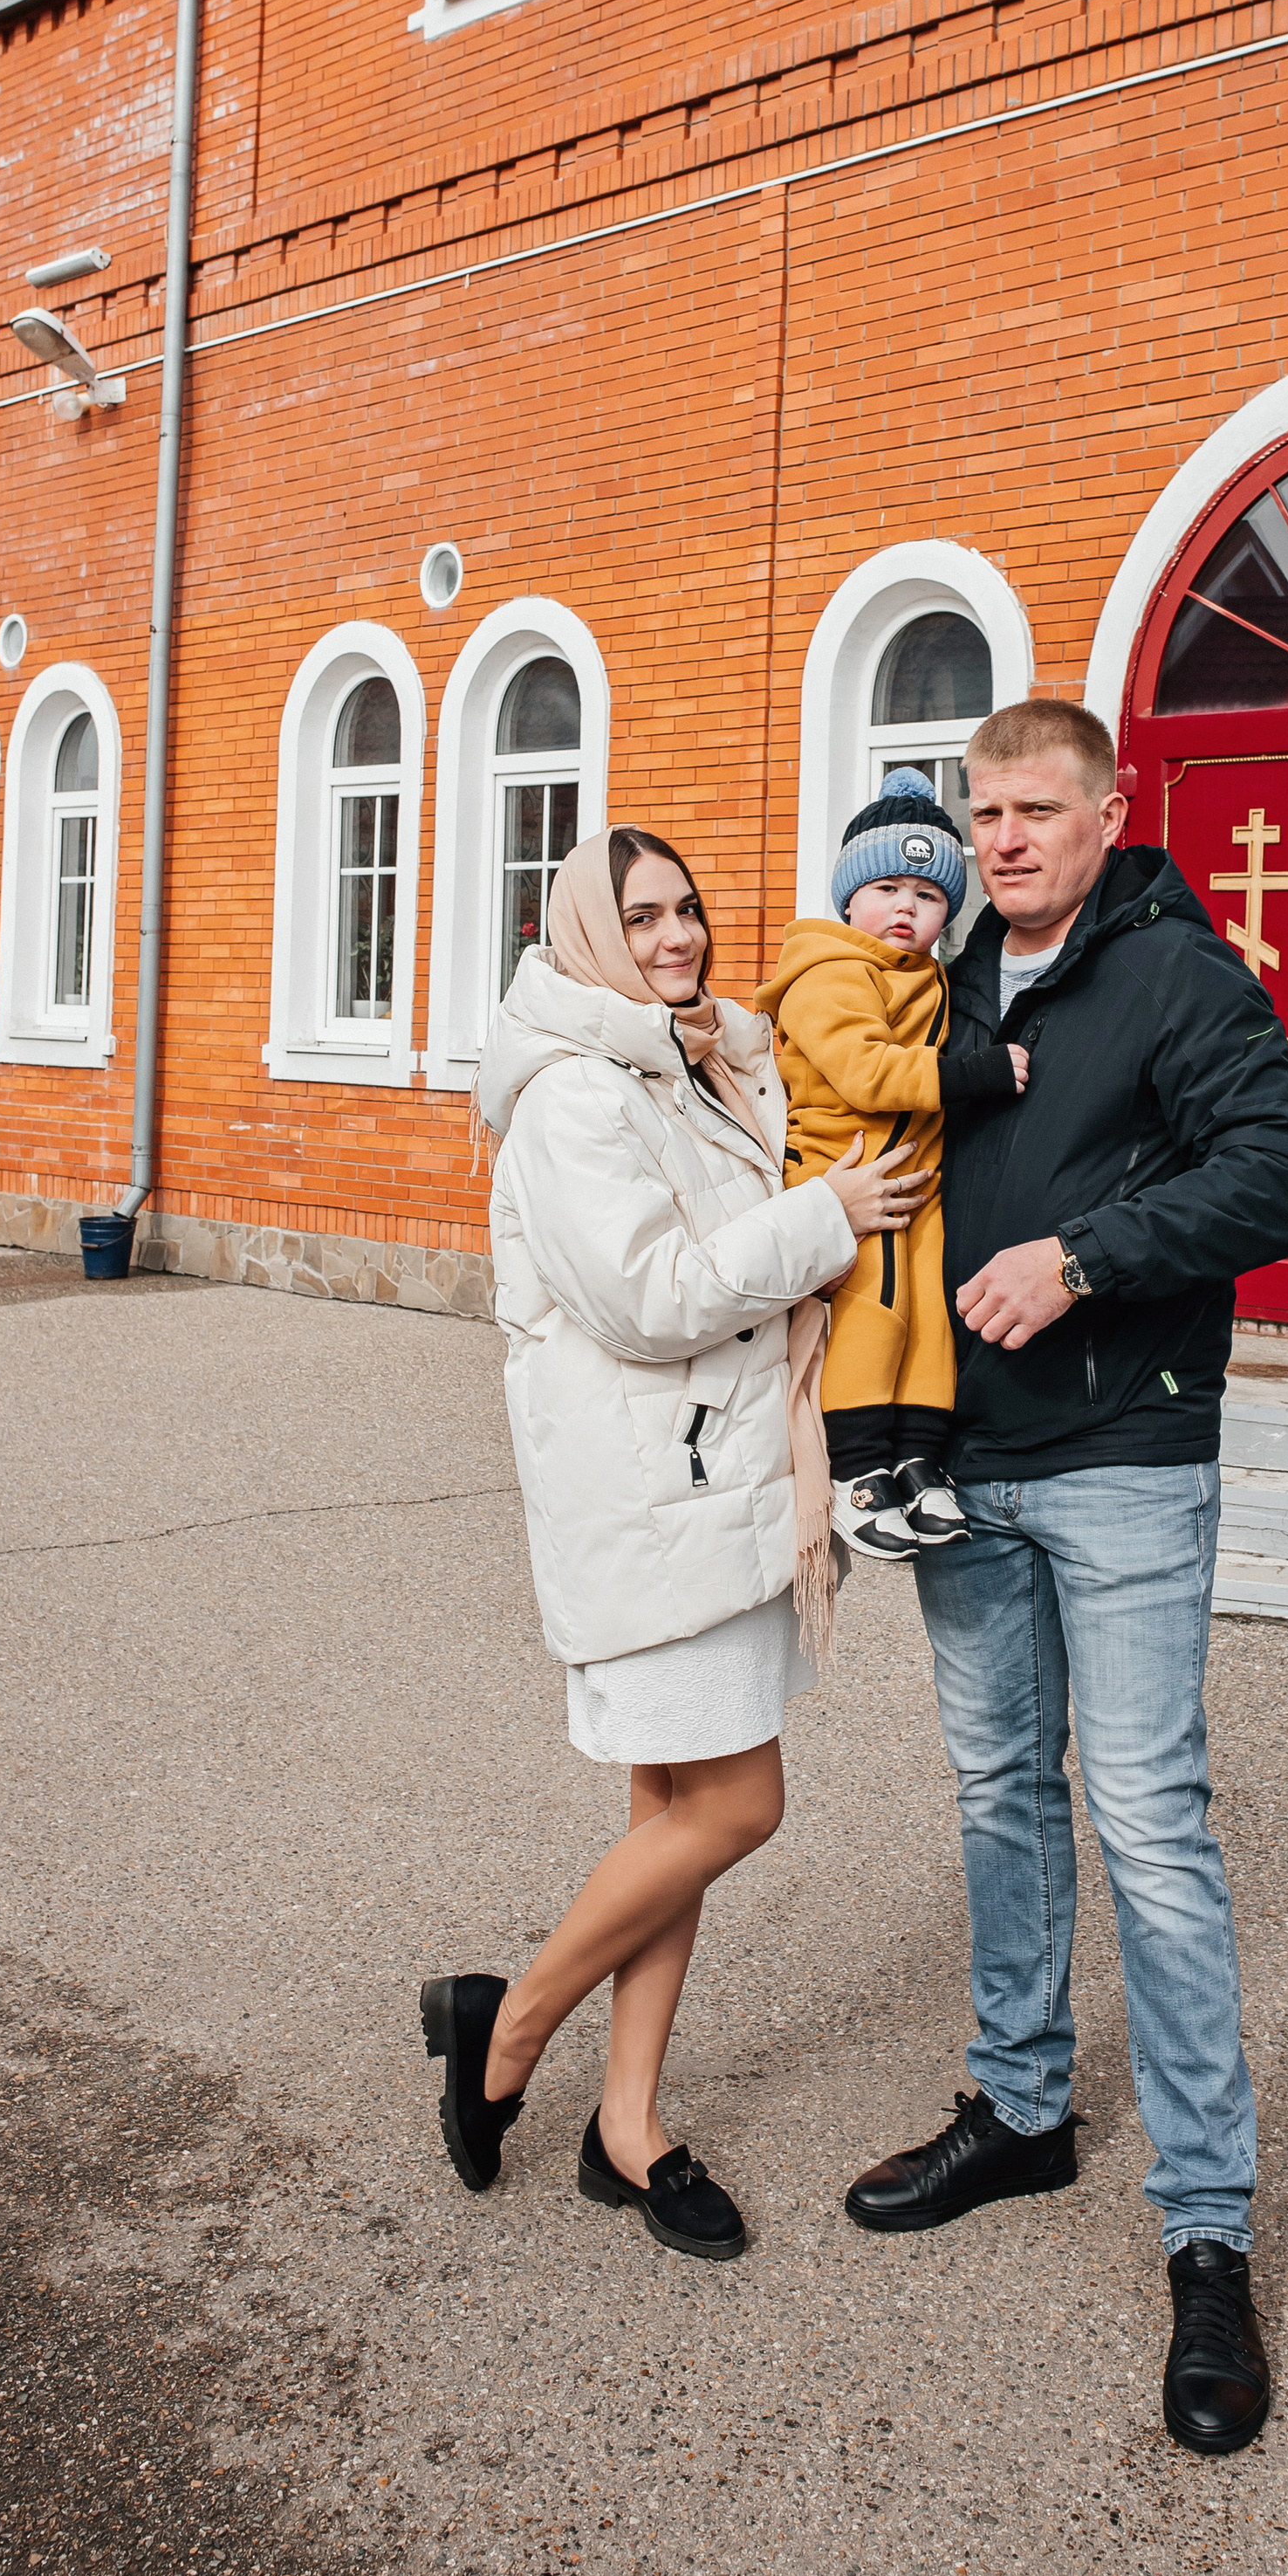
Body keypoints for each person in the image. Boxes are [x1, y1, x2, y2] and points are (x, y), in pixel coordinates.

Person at [841, 700, 1288, 2457]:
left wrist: (1086, 1256)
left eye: (1035, 809)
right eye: (980, 813)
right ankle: (1022, 2108)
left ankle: (1206, 2227)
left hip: (1123, 1457)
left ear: (1111, 810)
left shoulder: (1175, 974)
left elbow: (1287, 1175)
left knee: (1144, 1818)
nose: (1002, 839)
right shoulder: (945, 983)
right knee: (995, 1792)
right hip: (962, 1470)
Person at [421, 824, 927, 2262]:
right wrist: (823, 1217)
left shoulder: (695, 1056)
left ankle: (625, 2125)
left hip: (716, 1486)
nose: (677, 935)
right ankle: (505, 2028)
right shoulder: (579, 1093)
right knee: (738, 1804)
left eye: (690, 907)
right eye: (641, 916)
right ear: (586, 933)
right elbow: (653, 1298)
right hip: (656, 1502)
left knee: (668, 1819)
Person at [754, 766, 1027, 1562]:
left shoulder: (930, 980)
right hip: (844, 1174)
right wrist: (971, 1075)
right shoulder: (830, 971)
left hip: (914, 1179)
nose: (906, 907)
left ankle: (918, 1459)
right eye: (887, 888)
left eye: (930, 894)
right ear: (849, 899)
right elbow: (864, 1071)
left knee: (929, 1323)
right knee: (873, 1313)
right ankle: (856, 1470)